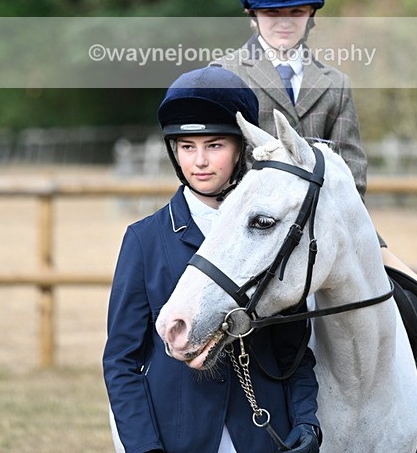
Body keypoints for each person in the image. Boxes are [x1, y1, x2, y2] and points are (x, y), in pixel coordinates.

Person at [219, 0, 417, 453]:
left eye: (295, 13)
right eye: (272, 13)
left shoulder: (333, 82)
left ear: (311, 15)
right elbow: (225, 161)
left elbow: (353, 167)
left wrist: (346, 232)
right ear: (252, 14)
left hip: (332, 228)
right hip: (257, 230)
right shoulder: (227, 76)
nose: (284, 23)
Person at [103, 65, 322, 453]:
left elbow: (293, 350)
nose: (199, 161)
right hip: (176, 437)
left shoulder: (272, 235)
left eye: (215, 145)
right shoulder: (143, 240)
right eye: (187, 147)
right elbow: (122, 361)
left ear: (241, 149)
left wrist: (306, 420)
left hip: (262, 435)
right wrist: (144, 447)